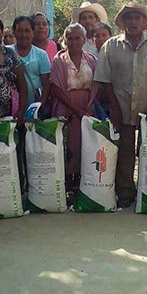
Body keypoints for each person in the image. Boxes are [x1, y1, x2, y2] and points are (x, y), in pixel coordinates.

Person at [94, 2, 147, 208]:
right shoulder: (111, 45)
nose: (133, 22)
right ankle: (125, 192)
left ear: (144, 22)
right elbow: (105, 80)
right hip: (121, 105)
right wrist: (115, 107)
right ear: (123, 22)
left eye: (137, 17)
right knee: (124, 151)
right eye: (129, 18)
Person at [50, 23, 100, 205]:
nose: (73, 41)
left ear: (84, 39)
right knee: (68, 146)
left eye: (78, 37)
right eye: (69, 38)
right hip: (67, 109)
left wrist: (88, 107)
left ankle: (83, 184)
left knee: (85, 146)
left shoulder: (91, 60)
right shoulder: (59, 60)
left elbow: (96, 86)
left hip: (87, 108)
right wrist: (77, 110)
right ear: (64, 39)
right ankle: (67, 186)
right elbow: (57, 90)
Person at [8, 16, 50, 109]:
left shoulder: (42, 55)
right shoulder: (6, 52)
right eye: (19, 31)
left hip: (34, 106)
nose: (23, 35)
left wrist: (41, 106)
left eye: (27, 31)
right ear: (14, 32)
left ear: (33, 32)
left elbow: (46, 85)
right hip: (11, 107)